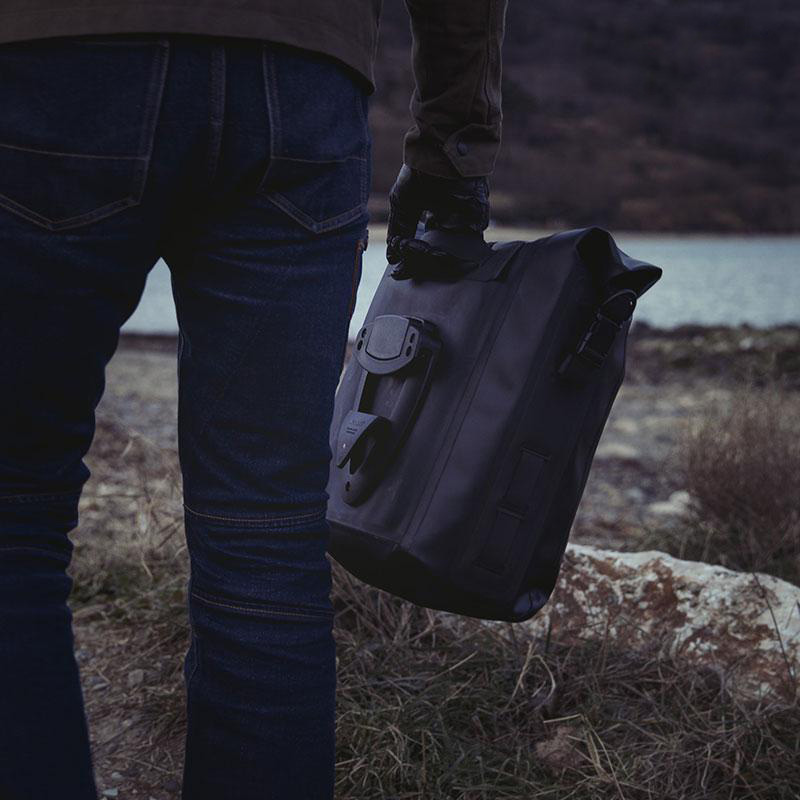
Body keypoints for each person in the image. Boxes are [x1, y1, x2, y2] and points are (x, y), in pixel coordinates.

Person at [0, 1, 507, 797]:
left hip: (56, 57)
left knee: (12, 516)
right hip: (302, 76)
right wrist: (453, 150)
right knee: (267, 535)